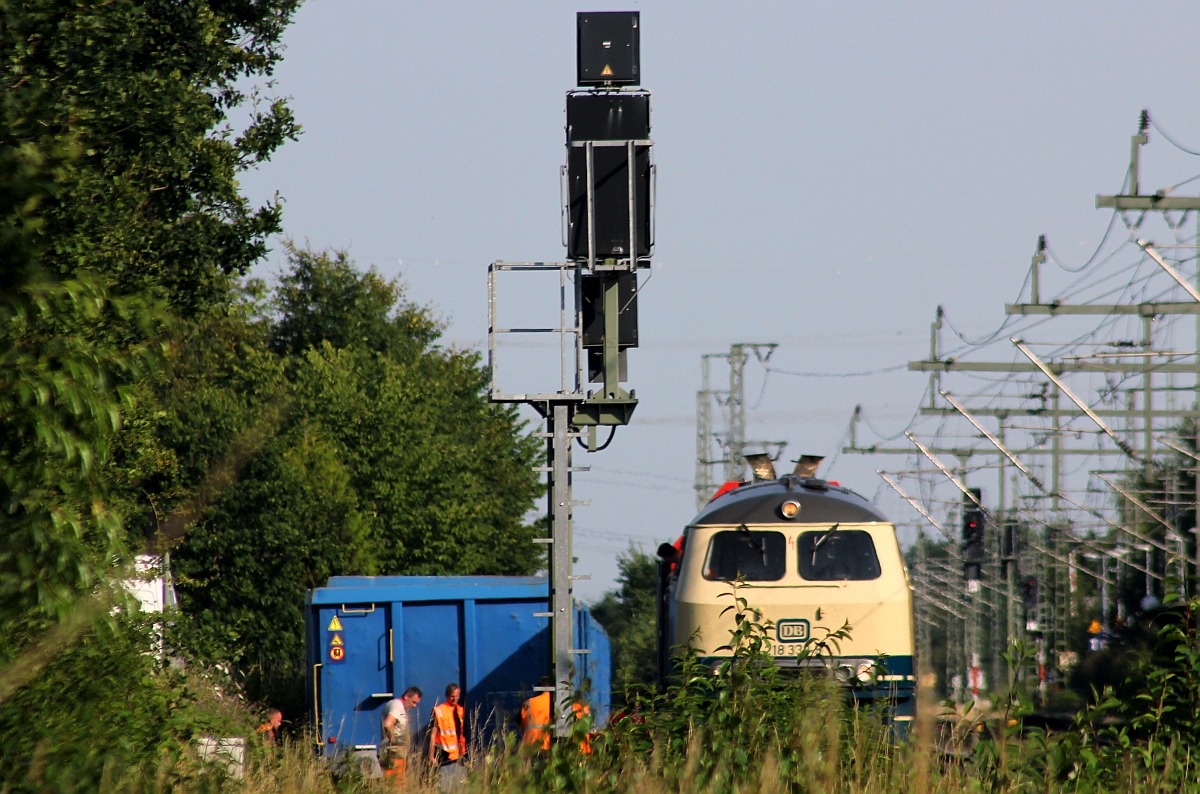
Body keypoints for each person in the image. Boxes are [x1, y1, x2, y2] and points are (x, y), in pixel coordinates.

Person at [380, 686, 422, 783]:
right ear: (406, 696)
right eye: (413, 702)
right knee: (395, 784)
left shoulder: (398, 706)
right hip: (393, 752)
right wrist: (394, 741)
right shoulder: (397, 706)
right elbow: (388, 724)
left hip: (396, 753)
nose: (414, 706)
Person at [428, 683, 466, 790]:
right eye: (451, 696)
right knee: (446, 788)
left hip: (460, 755)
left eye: (456, 696)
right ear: (446, 696)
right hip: (445, 755)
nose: (454, 699)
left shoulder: (461, 710)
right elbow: (432, 735)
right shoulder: (439, 711)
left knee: (460, 787)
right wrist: (431, 755)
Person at [520, 676, 553, 750]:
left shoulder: (528, 702)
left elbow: (522, 723)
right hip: (547, 744)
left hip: (530, 744)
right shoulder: (555, 703)